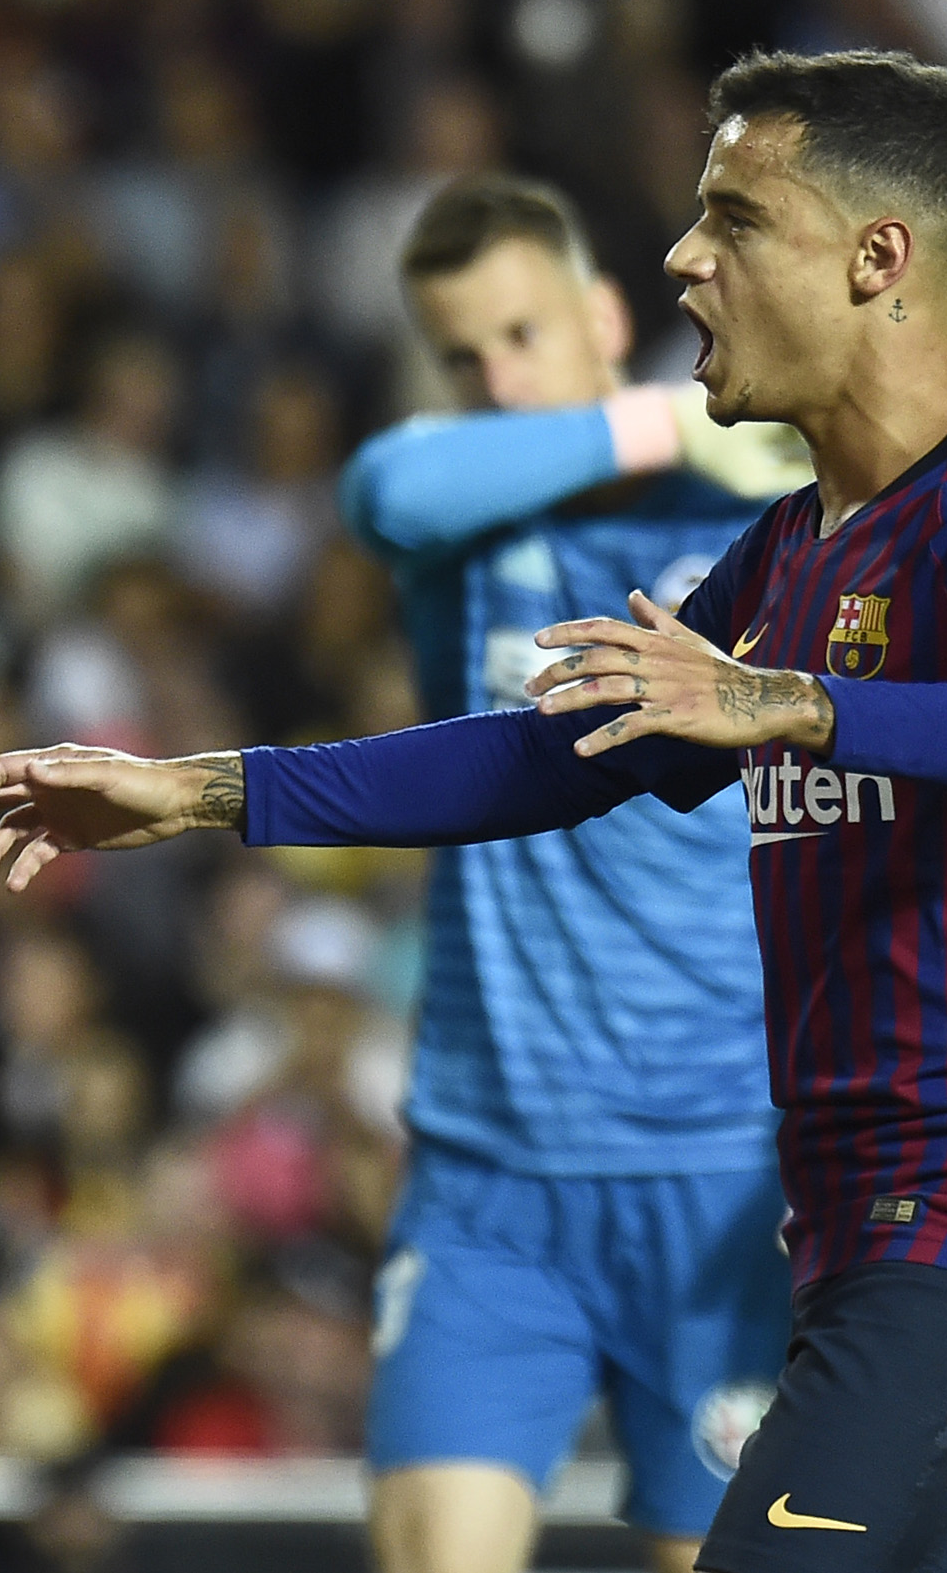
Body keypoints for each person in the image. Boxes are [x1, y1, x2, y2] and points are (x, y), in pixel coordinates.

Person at [0, 50, 947, 1573]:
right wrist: (199, 791)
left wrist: (790, 702)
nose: (683, 257)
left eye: (736, 218)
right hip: (871, 1222)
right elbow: (547, 760)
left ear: (880, 258)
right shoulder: (790, 550)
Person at [340, 173, 799, 1573]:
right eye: (463, 356)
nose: (498, 381)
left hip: (720, 1167)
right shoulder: (464, 526)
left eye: (523, 334)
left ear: (605, 314)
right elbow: (385, 487)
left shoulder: (758, 516)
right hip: (491, 1177)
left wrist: (715, 445)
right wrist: (660, 416)